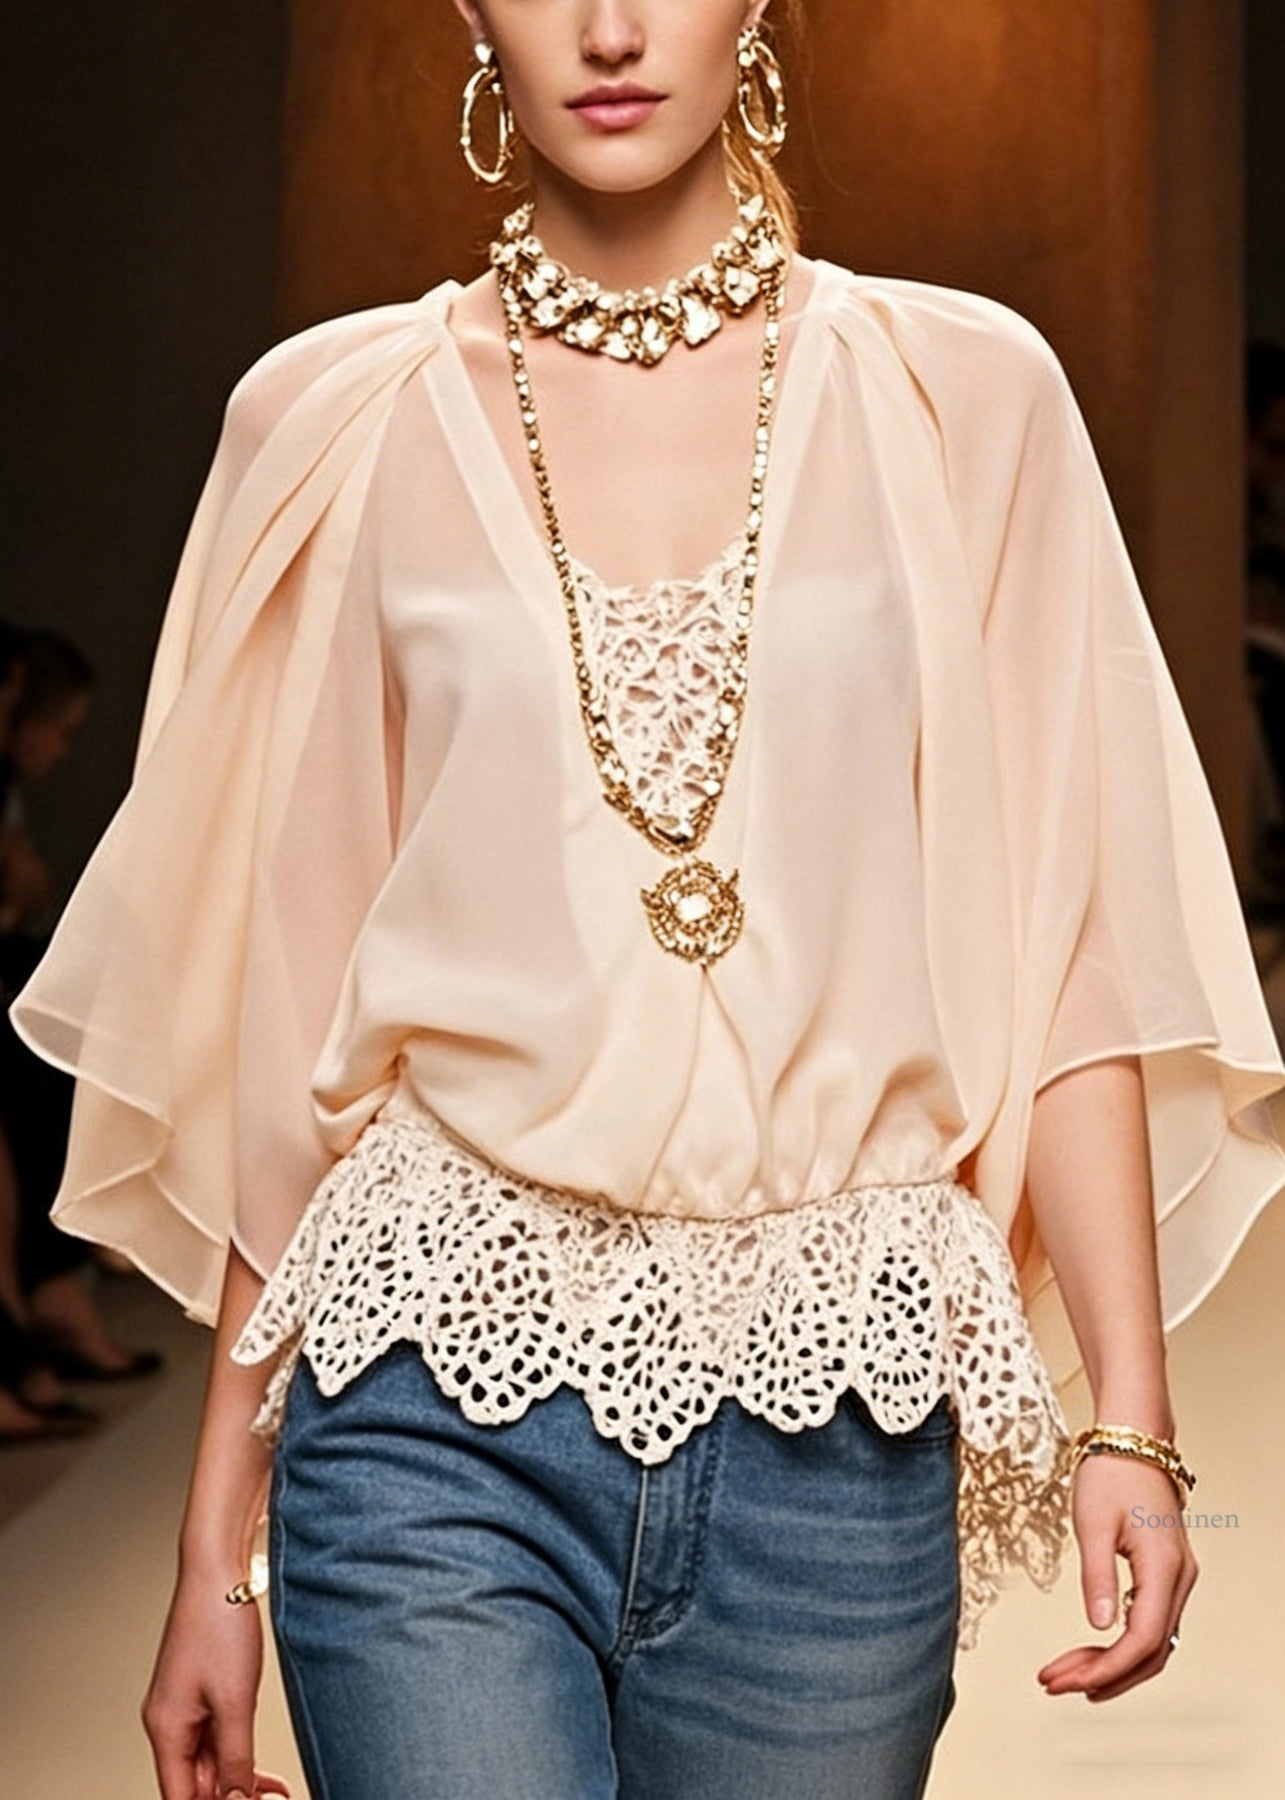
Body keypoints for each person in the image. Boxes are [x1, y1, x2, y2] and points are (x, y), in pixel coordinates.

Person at [10, 3, 1285, 1796]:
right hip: (423, 1405)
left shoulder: (961, 394)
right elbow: (295, 1015)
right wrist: (218, 1555)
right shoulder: (333, 420)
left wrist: (1129, 1426)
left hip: (836, 1442)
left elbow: (1066, 946)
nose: (609, 30)